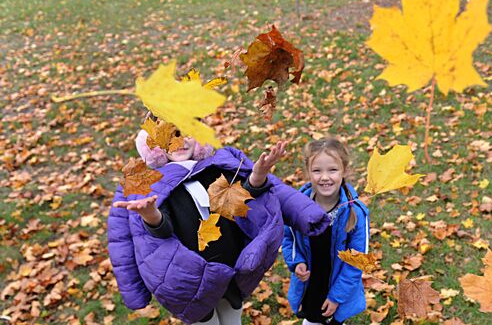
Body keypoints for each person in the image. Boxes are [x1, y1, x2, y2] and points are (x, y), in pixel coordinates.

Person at [108, 117, 330, 325]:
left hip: (231, 264)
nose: (181, 141)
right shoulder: (143, 184)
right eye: (171, 135)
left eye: (188, 132)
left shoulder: (222, 161)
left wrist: (259, 176)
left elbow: (256, 194)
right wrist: (150, 215)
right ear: (154, 145)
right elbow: (123, 242)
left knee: (232, 310)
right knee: (205, 318)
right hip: (189, 276)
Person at [282, 138, 370, 325]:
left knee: (334, 320)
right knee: (313, 318)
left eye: (332, 170)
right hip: (310, 283)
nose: (324, 177)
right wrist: (296, 261)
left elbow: (357, 261)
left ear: (344, 170)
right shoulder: (298, 206)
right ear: (308, 172)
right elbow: (289, 238)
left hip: (338, 285)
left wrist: (337, 297)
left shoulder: (355, 212)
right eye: (317, 170)